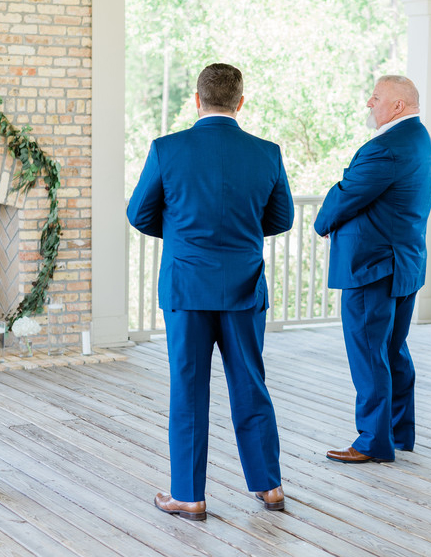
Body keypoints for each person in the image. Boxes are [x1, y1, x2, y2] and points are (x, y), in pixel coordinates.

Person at [127, 63, 294, 520]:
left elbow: (139, 214)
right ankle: (270, 486)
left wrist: (184, 232)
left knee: (188, 390)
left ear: (196, 100)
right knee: (250, 386)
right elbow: (282, 219)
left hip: (187, 288)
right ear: (240, 102)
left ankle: (189, 494)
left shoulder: (167, 149)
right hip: (243, 287)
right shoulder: (267, 152)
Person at [314, 75, 431, 464]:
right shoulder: (420, 140)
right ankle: (398, 433)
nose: (370, 102)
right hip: (404, 262)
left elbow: (347, 193)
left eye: (377, 97)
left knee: (369, 353)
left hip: (373, 267)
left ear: (398, 105)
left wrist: (320, 223)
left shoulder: (384, 148)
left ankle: (371, 442)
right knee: (392, 350)